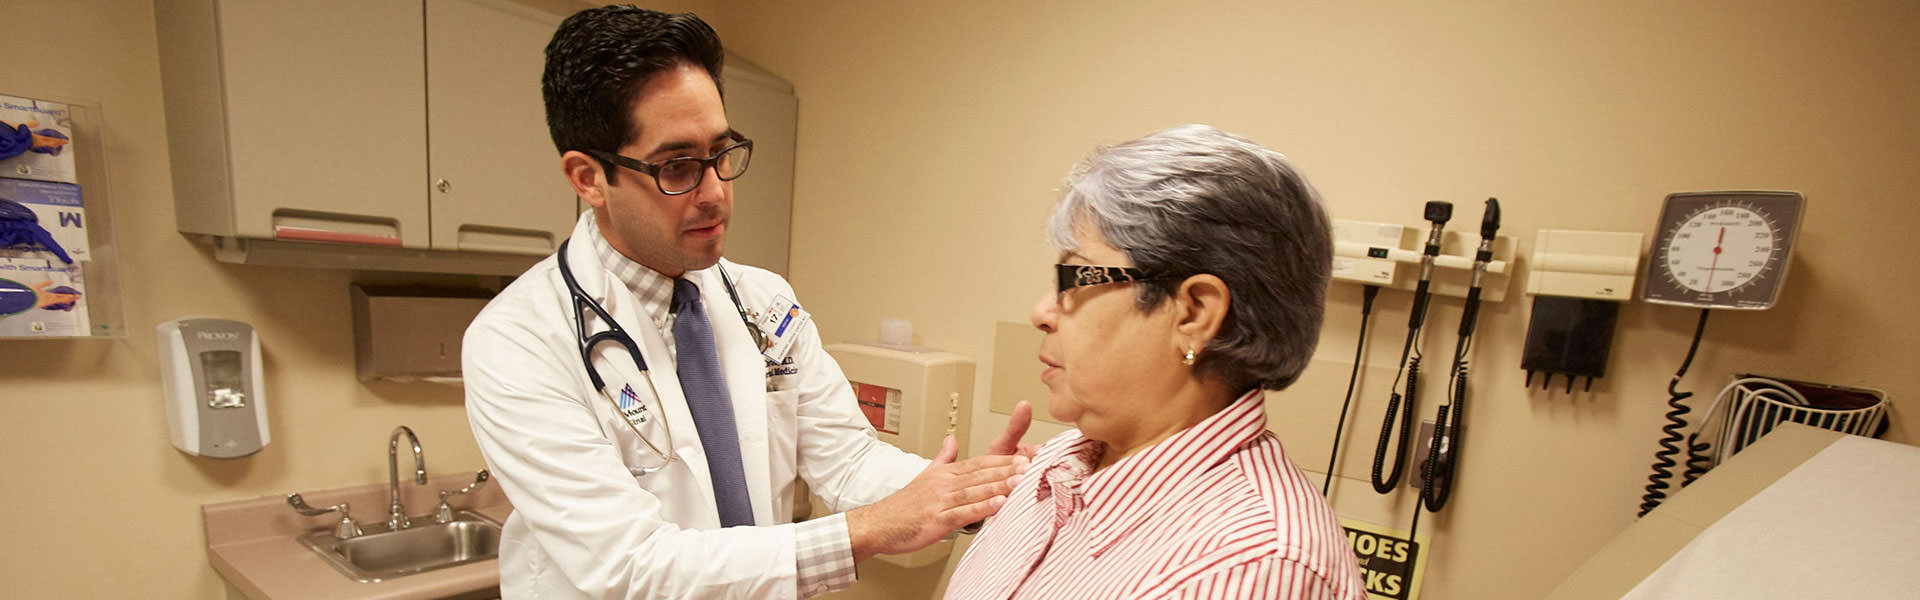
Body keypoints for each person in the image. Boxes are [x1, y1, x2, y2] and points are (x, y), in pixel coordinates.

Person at [462, 6, 1030, 598]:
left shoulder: (765, 303)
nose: (716, 193)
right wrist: (865, 533)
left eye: (721, 153)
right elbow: (629, 567)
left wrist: (974, 493)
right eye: (677, 166)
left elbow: (848, 462)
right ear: (587, 178)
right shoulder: (518, 342)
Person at [944, 125, 1367, 599]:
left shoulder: (1253, 568)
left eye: (1074, 277)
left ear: (1194, 313)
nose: (1041, 313)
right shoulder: (1064, 460)